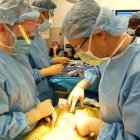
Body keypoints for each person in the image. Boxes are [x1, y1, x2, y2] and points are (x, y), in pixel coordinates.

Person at [62, 0, 140, 139]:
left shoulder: (136, 71)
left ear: (100, 34)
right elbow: (99, 71)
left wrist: (98, 127)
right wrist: (82, 85)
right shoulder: (112, 54)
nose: (80, 53)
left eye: (80, 47)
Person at [0, 0, 55, 139]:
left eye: (32, 34)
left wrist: (40, 108)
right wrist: (35, 114)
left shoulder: (19, 56)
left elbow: (27, 95)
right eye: (26, 33)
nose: (30, 40)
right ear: (2, 28)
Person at [27, 0, 71, 105]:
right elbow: (22, 73)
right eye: (49, 15)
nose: (50, 19)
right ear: (38, 14)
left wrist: (54, 60)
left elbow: (41, 60)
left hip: (48, 92)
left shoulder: (38, 38)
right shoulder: (22, 41)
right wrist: (45, 72)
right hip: (36, 95)